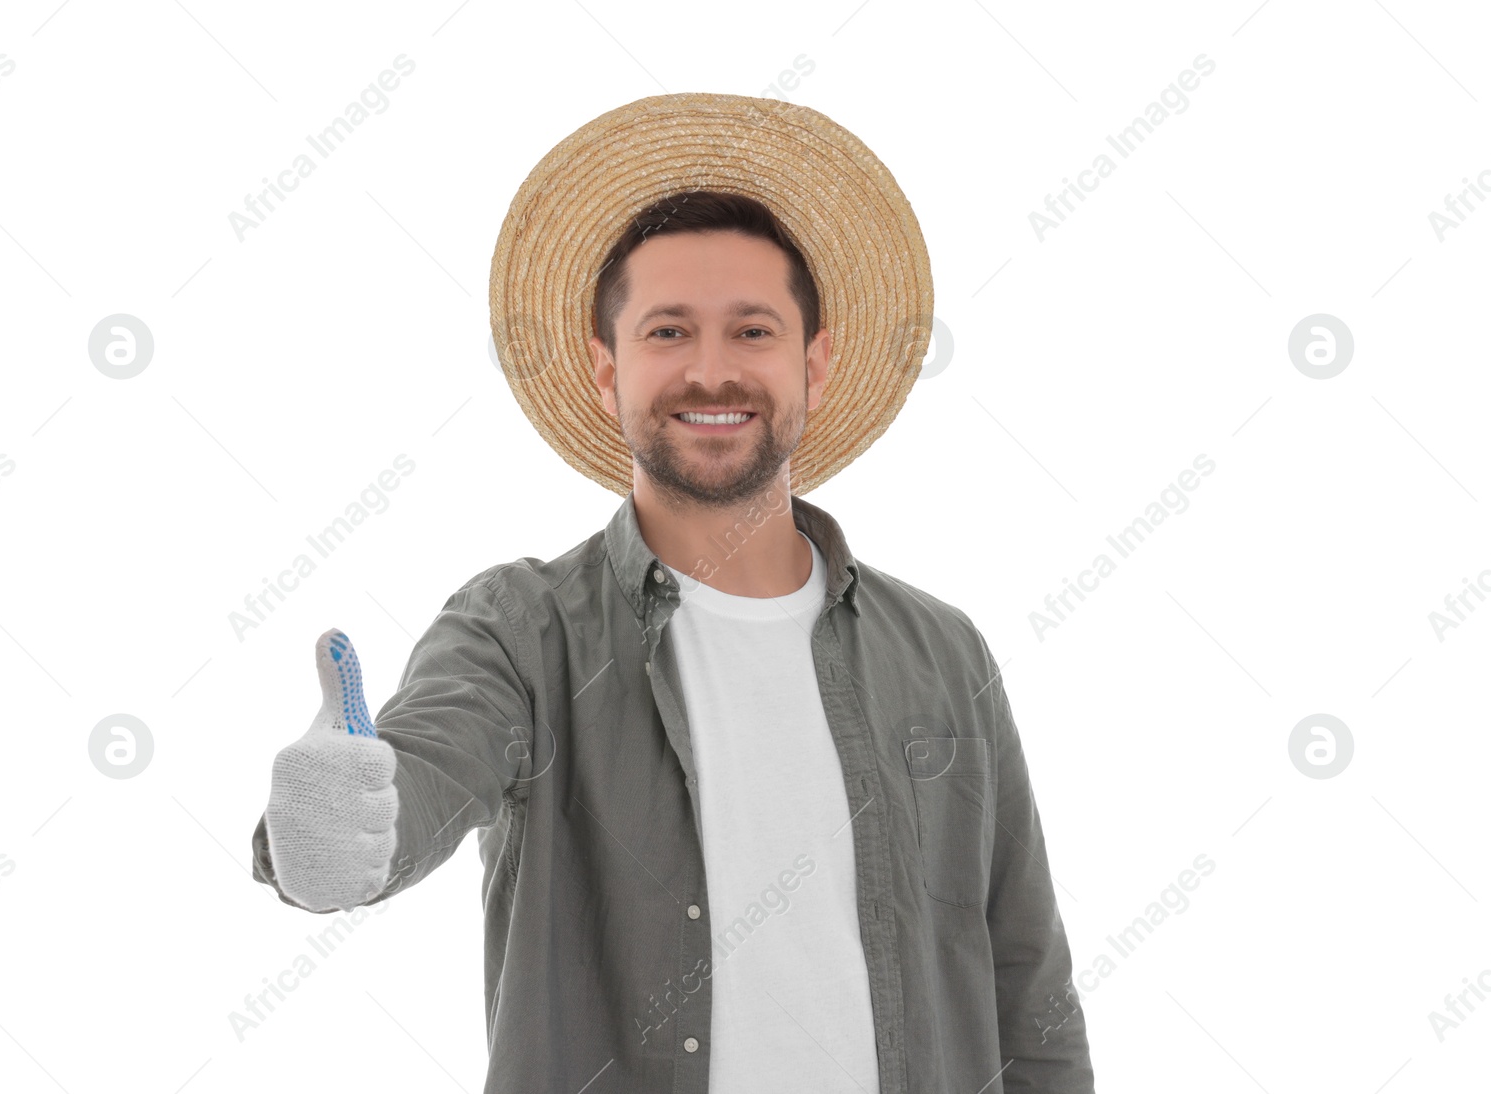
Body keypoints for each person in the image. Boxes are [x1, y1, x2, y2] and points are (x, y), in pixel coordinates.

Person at [252, 91, 1095, 1094]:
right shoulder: (522, 631)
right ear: (606, 367)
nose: (709, 369)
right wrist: (344, 825)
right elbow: (429, 764)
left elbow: (1026, 981)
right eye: (666, 331)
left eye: (751, 330)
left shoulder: (943, 650)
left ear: (811, 363)